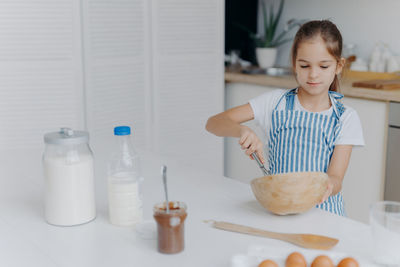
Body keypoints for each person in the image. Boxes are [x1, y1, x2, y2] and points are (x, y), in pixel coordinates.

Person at [205, 20, 364, 216]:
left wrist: (328, 185)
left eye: (323, 66)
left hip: (325, 215)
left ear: (339, 66)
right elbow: (213, 123)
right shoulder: (275, 102)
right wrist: (242, 130)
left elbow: (336, 177)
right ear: (294, 64)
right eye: (305, 65)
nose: (313, 74)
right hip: (279, 211)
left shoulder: (345, 118)